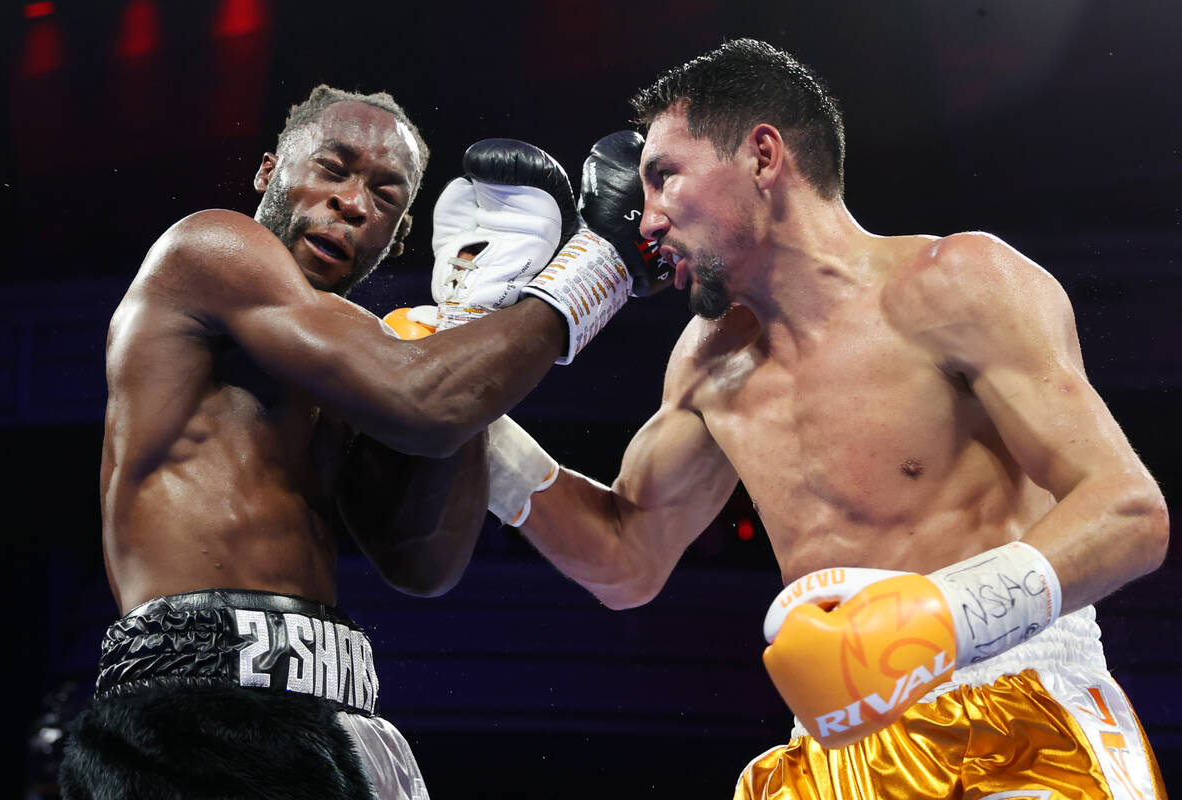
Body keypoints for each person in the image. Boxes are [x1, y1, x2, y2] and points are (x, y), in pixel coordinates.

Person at [483, 40, 1170, 797]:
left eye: (664, 177)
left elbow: (1129, 513)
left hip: (1015, 717)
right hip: (832, 752)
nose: (641, 219)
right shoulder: (708, 362)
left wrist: (944, 617)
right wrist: (470, 429)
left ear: (763, 156)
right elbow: (624, 558)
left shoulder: (958, 286)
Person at [59, 84, 636, 799]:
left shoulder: (371, 361)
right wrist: (600, 264)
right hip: (191, 719)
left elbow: (424, 561)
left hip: (337, 722)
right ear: (269, 171)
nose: (353, 202)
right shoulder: (209, 249)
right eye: (333, 169)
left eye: (384, 196)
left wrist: (468, 316)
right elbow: (424, 399)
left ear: (396, 239)